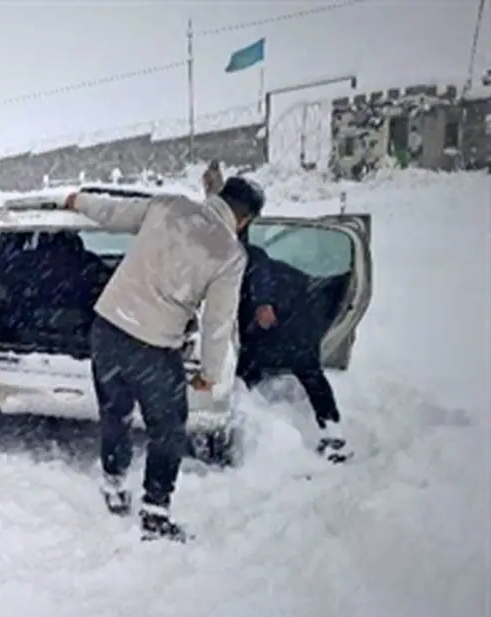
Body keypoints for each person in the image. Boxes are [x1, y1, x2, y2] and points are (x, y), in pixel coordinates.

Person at [63, 175, 265, 542]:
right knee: (168, 429)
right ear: (246, 219)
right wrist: (209, 372)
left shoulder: (169, 205)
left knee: (115, 411)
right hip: (152, 346)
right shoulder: (230, 254)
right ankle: (155, 513)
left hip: (107, 327)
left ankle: (113, 483)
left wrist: (79, 202)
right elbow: (218, 322)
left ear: (218, 196)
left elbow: (112, 212)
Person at [236, 241, 349, 462]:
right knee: (306, 372)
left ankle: (332, 436)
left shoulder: (248, 258)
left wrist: (263, 303)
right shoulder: (250, 259)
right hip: (285, 317)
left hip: (290, 319)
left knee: (303, 368)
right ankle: (332, 433)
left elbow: (259, 271)